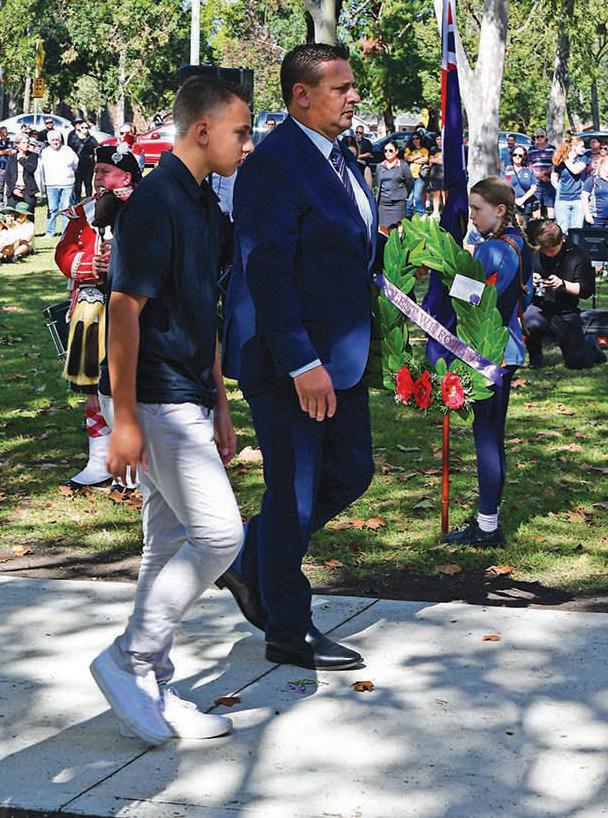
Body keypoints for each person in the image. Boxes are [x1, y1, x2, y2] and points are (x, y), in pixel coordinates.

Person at [90, 76, 252, 746]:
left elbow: (201, 310)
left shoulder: (204, 205)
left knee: (168, 543)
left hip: (186, 395)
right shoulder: (155, 202)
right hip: (151, 395)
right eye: (241, 132)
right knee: (220, 536)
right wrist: (124, 418)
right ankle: (128, 659)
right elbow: (124, 310)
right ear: (203, 130)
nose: (248, 144)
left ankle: (152, 681)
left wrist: (220, 401)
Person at [222, 42, 377, 670]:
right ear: (301, 95)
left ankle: (249, 557)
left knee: (354, 471)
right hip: (289, 360)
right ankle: (288, 628)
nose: (353, 97)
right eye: (341, 88)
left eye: (351, 86)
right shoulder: (275, 164)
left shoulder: (342, 159)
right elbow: (267, 271)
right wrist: (301, 363)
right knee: (296, 494)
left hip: (341, 354)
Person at [442, 177, 533, 547]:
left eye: (477, 209)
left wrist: (449, 271)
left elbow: (467, 300)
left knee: (487, 439)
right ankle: (488, 520)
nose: (472, 217)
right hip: (508, 350)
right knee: (493, 436)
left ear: (499, 210)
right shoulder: (520, 244)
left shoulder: (492, 250)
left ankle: (487, 526)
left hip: (488, 352)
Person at [55, 146, 142, 489]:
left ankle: (134, 463)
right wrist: (89, 265)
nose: (98, 178)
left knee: (130, 384)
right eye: (96, 172)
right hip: (91, 309)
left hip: (133, 310)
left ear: (126, 176)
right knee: (93, 386)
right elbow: (64, 253)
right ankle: (99, 458)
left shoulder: (145, 208)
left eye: (105, 172)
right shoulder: (84, 212)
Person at [524, 221, 604, 369]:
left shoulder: (578, 255)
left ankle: (592, 347)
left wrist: (563, 284)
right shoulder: (535, 254)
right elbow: (522, 281)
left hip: (566, 310)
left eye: (551, 250)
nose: (548, 253)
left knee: (578, 363)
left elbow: (586, 290)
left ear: (562, 240)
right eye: (545, 250)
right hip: (540, 307)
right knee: (528, 320)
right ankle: (535, 356)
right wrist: (530, 280)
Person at [40, 130, 79, 237]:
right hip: (51, 184)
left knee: (66, 208)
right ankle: (50, 232)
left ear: (60, 140)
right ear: (49, 141)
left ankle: (65, 232)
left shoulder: (68, 150)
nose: (55, 142)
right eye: (52, 140)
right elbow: (41, 169)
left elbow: (75, 164)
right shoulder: (45, 152)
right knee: (52, 208)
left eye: (57, 139)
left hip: (67, 184)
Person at [552, 136, 588, 234]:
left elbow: (575, 170)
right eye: (581, 146)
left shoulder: (583, 158)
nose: (584, 149)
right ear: (573, 147)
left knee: (576, 231)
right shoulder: (559, 161)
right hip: (562, 200)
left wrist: (565, 158)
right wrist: (560, 189)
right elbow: (554, 179)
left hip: (578, 200)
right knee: (563, 230)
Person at [375, 140, 412, 226]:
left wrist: (403, 195)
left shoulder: (403, 165)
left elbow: (409, 183)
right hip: (382, 206)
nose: (388, 153)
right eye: (385, 151)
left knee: (396, 230)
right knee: (383, 230)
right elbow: (376, 184)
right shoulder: (379, 166)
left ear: (396, 151)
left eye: (390, 150)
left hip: (398, 205)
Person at [4, 134, 38, 212]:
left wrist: (22, 159)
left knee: (29, 215)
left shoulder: (33, 155)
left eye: (27, 142)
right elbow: (7, 176)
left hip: (28, 190)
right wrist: (13, 189)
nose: (27, 145)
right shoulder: (12, 157)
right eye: (24, 143)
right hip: (14, 191)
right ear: (17, 144)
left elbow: (31, 169)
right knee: (12, 214)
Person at [502, 146, 537, 222]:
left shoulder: (528, 171)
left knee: (524, 228)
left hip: (525, 206)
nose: (517, 157)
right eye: (515, 155)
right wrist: (514, 200)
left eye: (520, 155)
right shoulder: (506, 170)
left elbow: (534, 187)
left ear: (524, 157)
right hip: (510, 206)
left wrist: (522, 199)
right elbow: (502, 187)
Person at [528, 128, 556, 219]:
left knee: (550, 206)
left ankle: (551, 224)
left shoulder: (552, 149)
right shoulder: (531, 149)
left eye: (541, 136)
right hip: (536, 182)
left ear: (545, 137)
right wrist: (538, 175)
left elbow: (555, 164)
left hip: (549, 181)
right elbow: (528, 165)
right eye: (537, 137)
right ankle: (537, 225)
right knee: (536, 206)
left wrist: (544, 174)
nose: (539, 138)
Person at [70, 121, 98, 201]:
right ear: (79, 128)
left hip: (88, 164)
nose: (84, 129)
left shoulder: (92, 139)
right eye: (82, 127)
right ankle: (77, 201)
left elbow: (96, 149)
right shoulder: (74, 138)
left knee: (88, 184)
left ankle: (89, 201)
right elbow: (71, 149)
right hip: (77, 164)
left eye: (86, 128)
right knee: (77, 184)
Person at [404, 131, 429, 216]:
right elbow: (407, 158)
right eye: (413, 139)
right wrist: (418, 156)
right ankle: (408, 213)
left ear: (420, 139)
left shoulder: (424, 150)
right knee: (410, 196)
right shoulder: (408, 149)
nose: (415, 140)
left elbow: (425, 160)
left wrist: (413, 159)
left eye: (417, 138)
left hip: (420, 175)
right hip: (410, 175)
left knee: (417, 195)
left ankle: (419, 214)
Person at [582, 155, 608, 229]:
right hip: (596, 219)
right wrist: (587, 214)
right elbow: (584, 198)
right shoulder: (592, 180)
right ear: (603, 165)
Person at [428, 133, 445, 219]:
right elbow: (430, 161)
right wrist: (439, 160)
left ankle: (446, 210)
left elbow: (446, 161)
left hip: (445, 173)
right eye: (437, 139)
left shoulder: (447, 148)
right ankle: (435, 211)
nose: (439, 141)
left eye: (441, 139)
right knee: (436, 192)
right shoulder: (433, 149)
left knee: (444, 192)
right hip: (435, 173)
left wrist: (436, 160)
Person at [0, 126, 12, 205]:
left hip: (9, 167)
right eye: (3, 133)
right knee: (0, 186)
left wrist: (4, 152)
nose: (4, 134)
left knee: (8, 186)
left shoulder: (10, 142)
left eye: (6, 133)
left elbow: (12, 152)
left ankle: (6, 202)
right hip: (1, 168)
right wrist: (6, 151)